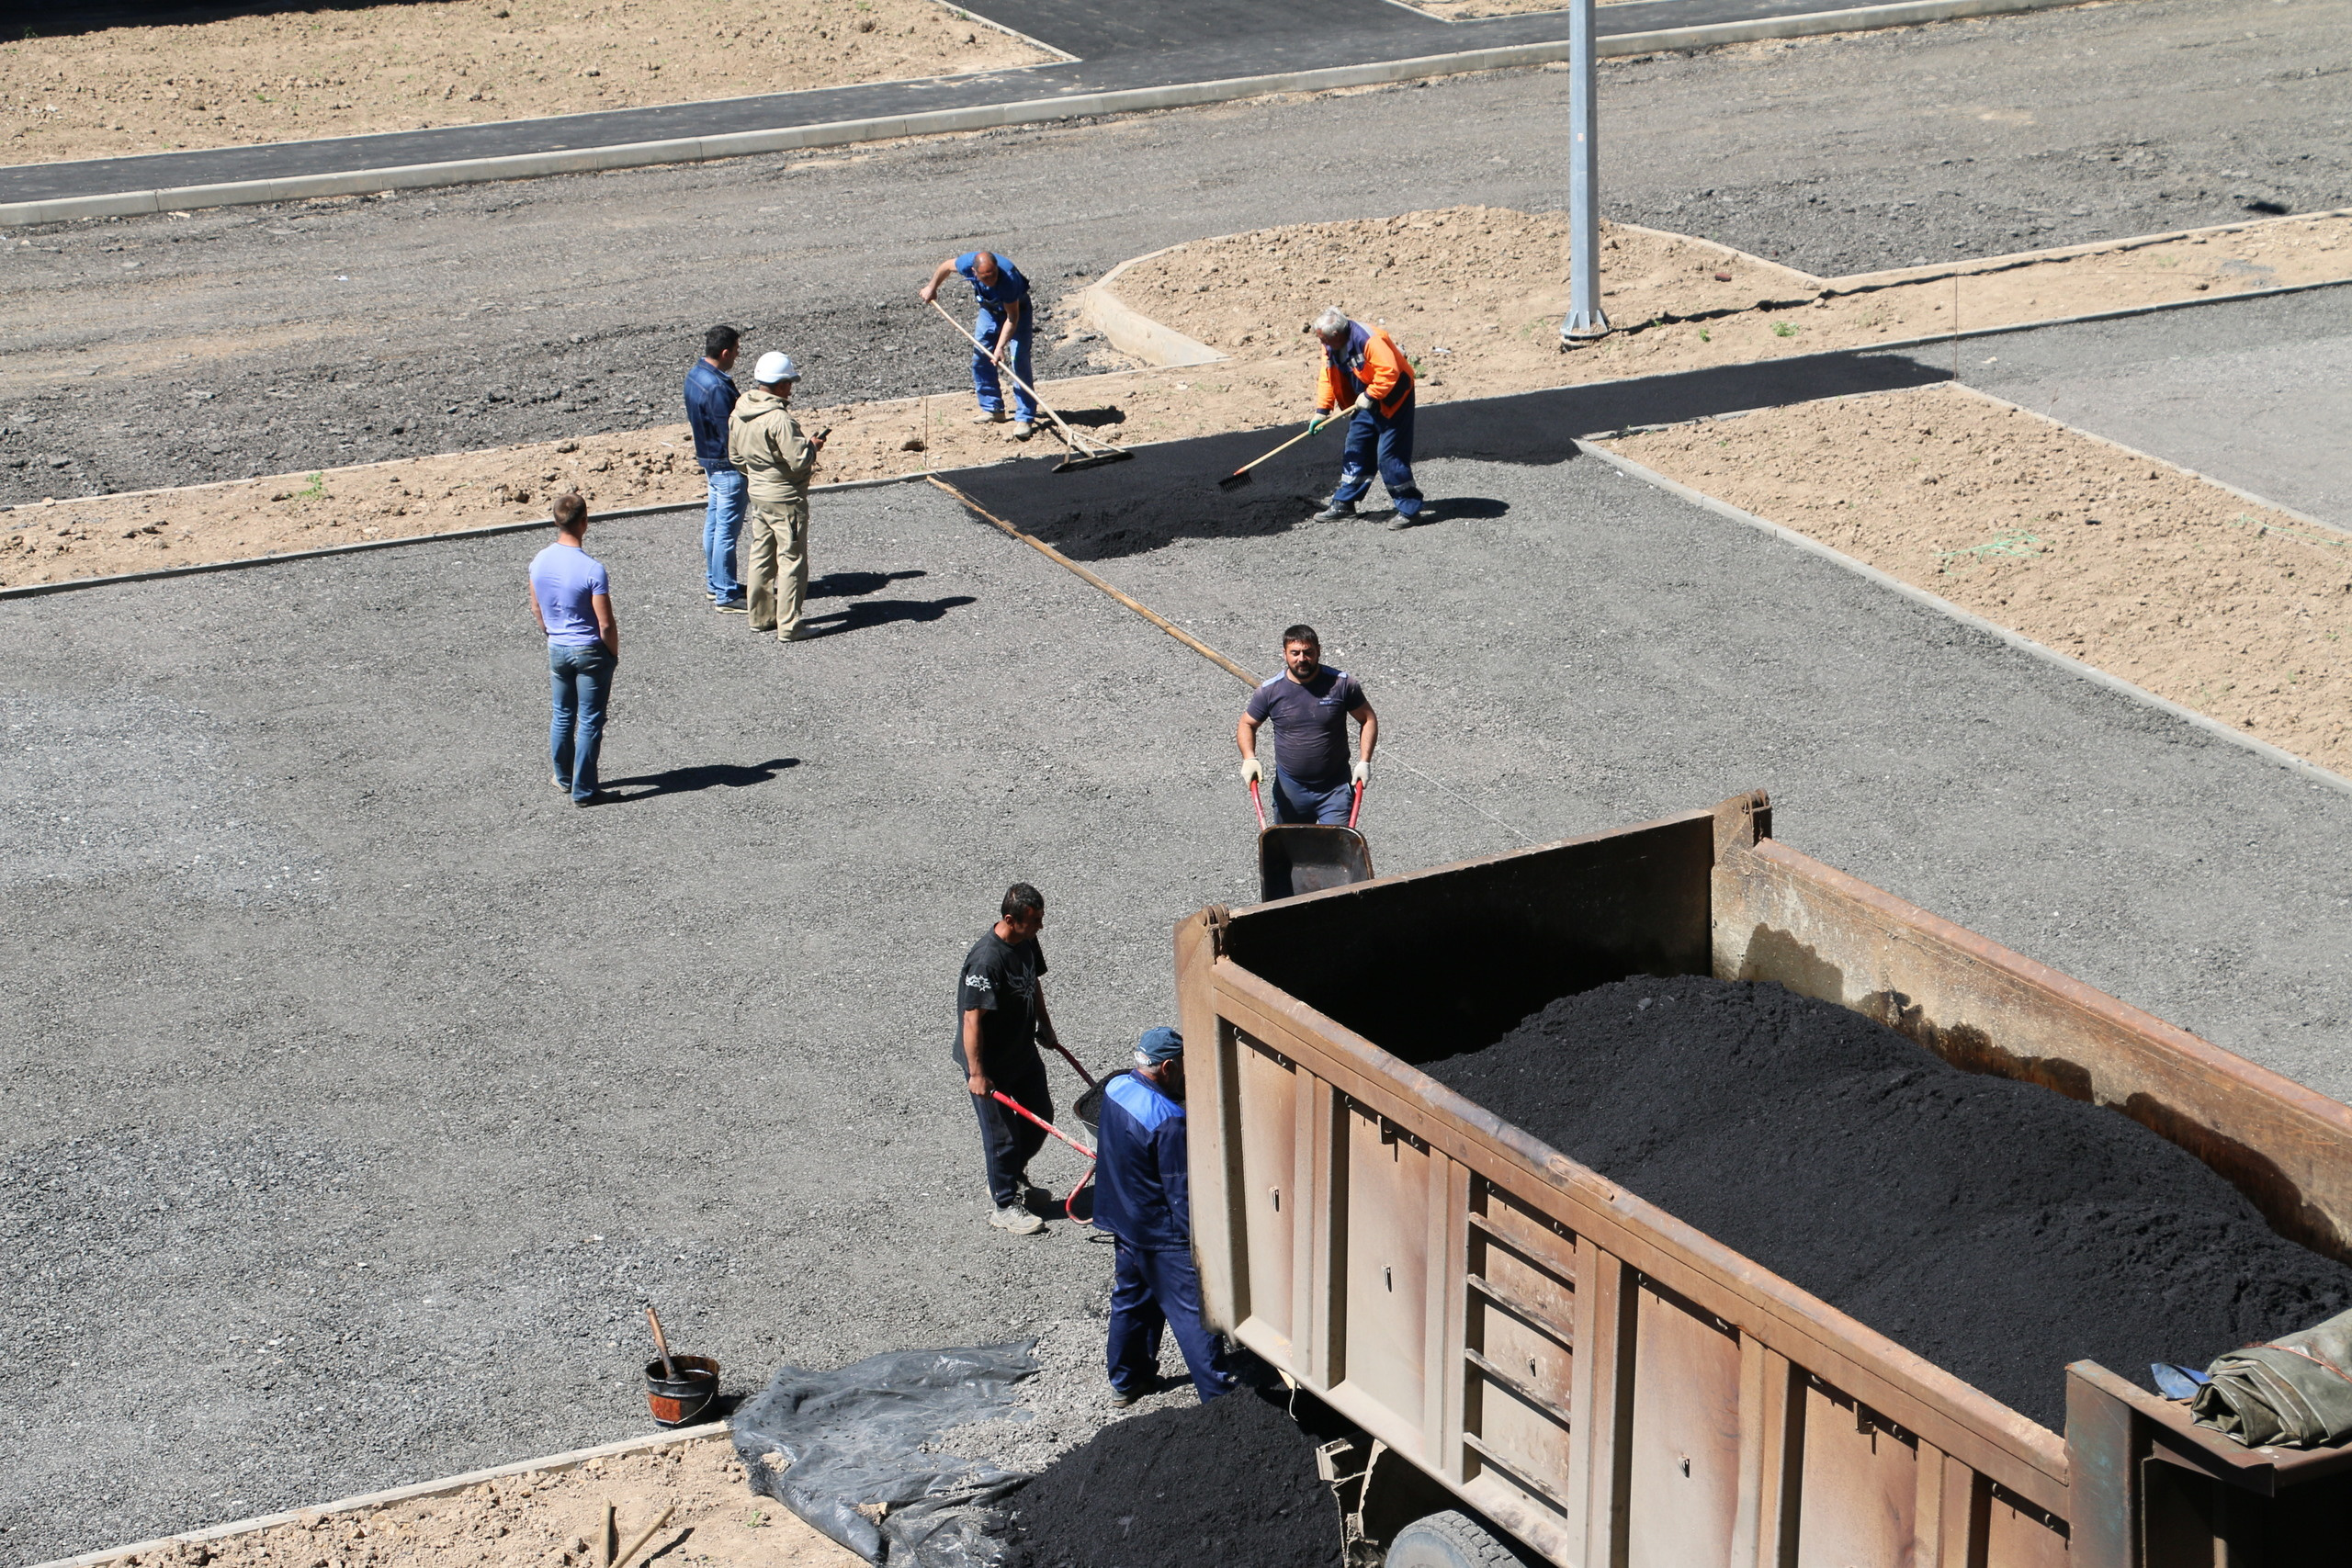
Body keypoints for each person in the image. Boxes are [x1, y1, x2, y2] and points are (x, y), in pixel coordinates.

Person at [1095, 1027, 1236, 1405]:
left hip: (1124, 1222)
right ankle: (1219, 1399)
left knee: (1131, 1300)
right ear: (1168, 1066)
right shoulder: (1169, 1119)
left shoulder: (1115, 1088)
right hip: (1162, 1235)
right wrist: (1203, 1244)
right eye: (1184, 1067)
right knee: (1195, 1315)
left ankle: (1127, 1381)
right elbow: (1181, 1193)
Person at [956, 883, 1067, 1235]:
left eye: (1040, 919)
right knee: (1002, 1137)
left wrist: (1045, 1025)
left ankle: (1009, 1177)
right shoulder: (986, 961)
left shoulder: (1026, 940)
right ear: (1010, 919)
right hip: (990, 1065)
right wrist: (977, 1074)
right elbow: (971, 1019)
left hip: (1022, 1051)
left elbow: (1033, 982)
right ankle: (1004, 1205)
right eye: (1034, 921)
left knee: (1040, 1117)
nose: (1040, 927)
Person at [526, 492, 618, 807]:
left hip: (557, 646)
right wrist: (612, 654)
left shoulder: (539, 560)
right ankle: (585, 790)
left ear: (556, 521)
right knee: (590, 720)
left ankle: (564, 778)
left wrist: (551, 634)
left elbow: (536, 608)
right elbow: (605, 624)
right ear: (584, 522)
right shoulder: (592, 569)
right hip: (589, 650)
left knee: (562, 714)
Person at [727, 350, 825, 643]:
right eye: (789, 382)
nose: (791, 388)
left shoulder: (739, 411)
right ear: (781, 384)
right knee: (791, 559)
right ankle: (790, 625)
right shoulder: (780, 419)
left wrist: (760, 475)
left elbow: (735, 457)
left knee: (761, 556)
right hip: (785, 498)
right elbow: (799, 460)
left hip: (758, 493)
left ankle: (760, 617)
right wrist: (813, 446)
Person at [1237, 623, 1378, 826]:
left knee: (1335, 843)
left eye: (1308, 652)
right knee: (1291, 844)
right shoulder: (1269, 691)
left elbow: (1368, 719)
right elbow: (1247, 723)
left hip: (1335, 789)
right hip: (1291, 789)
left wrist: (1364, 761)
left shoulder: (1341, 684)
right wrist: (1249, 758)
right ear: (1284, 654)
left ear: (1318, 651)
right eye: (1295, 653)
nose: (1302, 659)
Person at [1306, 305, 1423, 528]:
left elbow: (1389, 371)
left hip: (1393, 397)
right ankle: (1345, 504)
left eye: (1324, 339)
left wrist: (1371, 395)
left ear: (1337, 334)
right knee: (1356, 446)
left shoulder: (1369, 340)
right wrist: (1322, 410)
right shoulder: (1330, 344)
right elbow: (1327, 375)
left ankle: (1410, 509)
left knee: (1389, 455)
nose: (1321, 344)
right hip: (1364, 397)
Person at [917, 249, 1037, 441]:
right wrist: (932, 287)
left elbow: (1012, 318)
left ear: (996, 269)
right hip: (989, 310)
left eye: (993, 276)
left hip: (1016, 311)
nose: (991, 281)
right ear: (974, 272)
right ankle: (993, 409)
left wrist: (999, 348)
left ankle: (1025, 418)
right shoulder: (966, 263)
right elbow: (946, 266)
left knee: (1018, 361)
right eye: (985, 278)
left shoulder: (1009, 280)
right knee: (981, 356)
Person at [684, 324, 747, 613]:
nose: (737, 355)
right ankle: (726, 594)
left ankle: (715, 583)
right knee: (726, 532)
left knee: (714, 524)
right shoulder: (718, 387)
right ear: (724, 352)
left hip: (709, 461)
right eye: (735, 350)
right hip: (727, 466)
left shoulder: (695, 375)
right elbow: (731, 432)